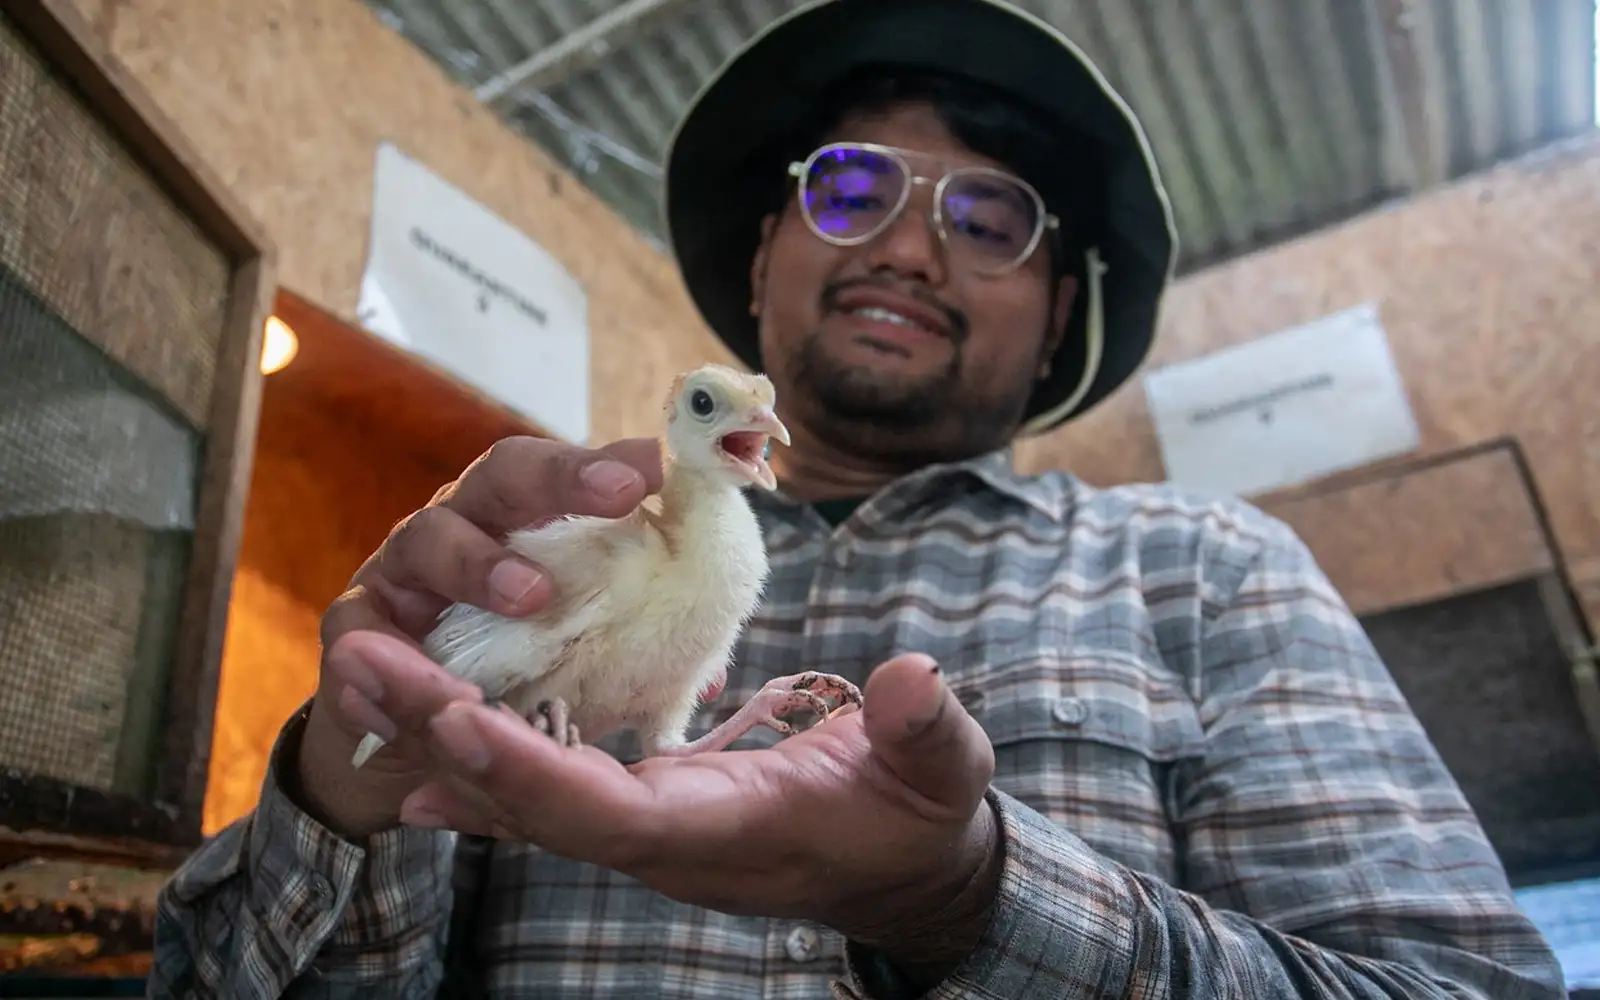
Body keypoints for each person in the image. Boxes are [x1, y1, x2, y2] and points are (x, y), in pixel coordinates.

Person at [150, 0, 1565, 997]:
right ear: (765, 254)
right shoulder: (545, 550)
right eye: (848, 186)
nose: (906, 242)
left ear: (1060, 304)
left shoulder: (1207, 570)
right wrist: (344, 791)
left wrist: (969, 902)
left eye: (989, 217)